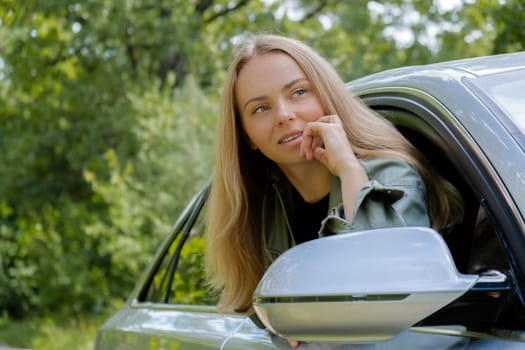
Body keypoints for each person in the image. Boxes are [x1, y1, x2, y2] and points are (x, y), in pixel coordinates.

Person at [205, 34, 464, 346]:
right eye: (260, 108)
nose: (285, 115)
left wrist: (349, 169)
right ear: (246, 135)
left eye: (298, 92)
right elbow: (260, 312)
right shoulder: (261, 206)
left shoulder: (393, 174)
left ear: (326, 97)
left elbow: (384, 290)